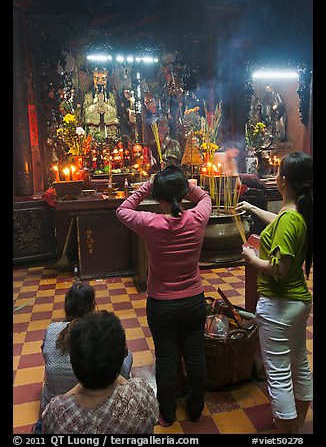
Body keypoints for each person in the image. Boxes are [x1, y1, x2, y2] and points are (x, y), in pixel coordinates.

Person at [116, 165, 212, 426]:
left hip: (161, 304)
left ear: (157, 196)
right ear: (182, 194)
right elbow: (205, 197)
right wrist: (185, 184)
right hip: (194, 300)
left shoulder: (151, 222)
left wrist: (147, 186)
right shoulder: (198, 217)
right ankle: (195, 409)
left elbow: (122, 210)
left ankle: (167, 414)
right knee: (195, 356)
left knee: (166, 359)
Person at [236, 151, 313, 434]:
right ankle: (297, 424)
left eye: (279, 172)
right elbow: (281, 222)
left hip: (279, 306)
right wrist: (254, 209)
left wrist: (252, 258)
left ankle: (286, 432)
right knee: (298, 364)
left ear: (284, 181)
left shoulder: (288, 220)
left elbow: (279, 269)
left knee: (279, 374)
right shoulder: (298, 213)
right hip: (298, 302)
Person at [42, 310, 159, 434]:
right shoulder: (141, 394)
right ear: (122, 355)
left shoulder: (57, 412)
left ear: (74, 362)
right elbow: (154, 419)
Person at [40, 281, 133, 412]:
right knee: (128, 355)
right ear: (92, 306)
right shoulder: (99, 330)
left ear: (67, 306)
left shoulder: (51, 329)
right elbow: (121, 354)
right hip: (95, 391)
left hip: (55, 398)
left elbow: (44, 353)